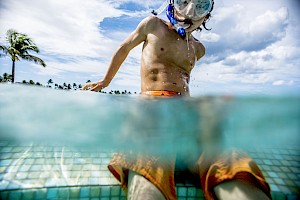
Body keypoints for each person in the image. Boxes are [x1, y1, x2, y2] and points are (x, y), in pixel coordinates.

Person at [83, 0, 271, 199]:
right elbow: (124, 47)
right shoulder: (153, 25)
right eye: (183, 2)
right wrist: (105, 81)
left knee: (227, 155)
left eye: (201, 6)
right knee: (147, 151)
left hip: (187, 115)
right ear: (172, 4)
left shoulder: (199, 49)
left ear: (205, 17)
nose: (190, 11)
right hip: (153, 108)